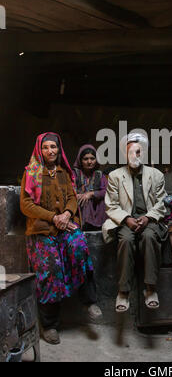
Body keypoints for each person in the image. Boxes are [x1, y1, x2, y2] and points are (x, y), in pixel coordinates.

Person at [20, 132, 102, 345]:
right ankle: (48, 325)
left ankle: (89, 302)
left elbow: (72, 198)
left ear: (59, 150)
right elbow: (26, 205)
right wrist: (53, 217)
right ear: (40, 149)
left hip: (64, 225)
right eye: (46, 147)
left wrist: (66, 214)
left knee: (79, 246)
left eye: (53, 147)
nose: (50, 151)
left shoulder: (64, 172)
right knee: (50, 269)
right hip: (42, 229)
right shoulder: (31, 173)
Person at [102, 133, 168, 313]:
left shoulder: (156, 175)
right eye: (130, 151)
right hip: (125, 222)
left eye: (138, 151)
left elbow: (162, 203)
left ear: (143, 153)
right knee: (126, 240)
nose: (134, 155)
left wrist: (148, 217)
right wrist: (126, 219)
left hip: (150, 220)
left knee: (148, 237)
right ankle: (123, 291)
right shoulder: (115, 176)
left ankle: (151, 288)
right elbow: (111, 205)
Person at [73, 144, 107, 230]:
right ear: (80, 160)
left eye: (92, 158)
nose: (89, 162)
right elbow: (68, 190)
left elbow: (106, 191)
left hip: (96, 209)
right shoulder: (74, 174)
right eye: (85, 159)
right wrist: (76, 195)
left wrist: (91, 194)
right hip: (78, 206)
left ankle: (96, 225)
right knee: (84, 200)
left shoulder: (99, 175)